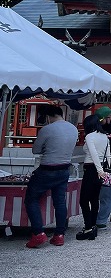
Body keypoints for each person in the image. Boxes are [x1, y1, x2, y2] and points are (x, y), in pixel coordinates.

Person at [23, 105, 79, 248]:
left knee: (31, 199)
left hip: (47, 169)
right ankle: (59, 235)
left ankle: (38, 232)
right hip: (64, 169)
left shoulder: (47, 129)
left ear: (49, 116)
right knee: (59, 202)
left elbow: (36, 150)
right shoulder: (73, 129)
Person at [76, 114, 109, 241]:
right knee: (94, 198)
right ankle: (93, 225)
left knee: (84, 199)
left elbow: (93, 153)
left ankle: (88, 227)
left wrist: (99, 170)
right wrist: (104, 169)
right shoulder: (104, 136)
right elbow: (108, 154)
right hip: (101, 167)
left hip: (91, 168)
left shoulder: (90, 136)